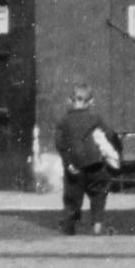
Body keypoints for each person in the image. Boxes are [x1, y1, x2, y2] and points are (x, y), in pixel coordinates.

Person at [54, 83, 123, 235]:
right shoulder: (96, 118)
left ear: (70, 100)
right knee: (98, 194)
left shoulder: (63, 121)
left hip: (74, 166)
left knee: (72, 199)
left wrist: (68, 163)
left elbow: (60, 145)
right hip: (95, 164)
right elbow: (110, 135)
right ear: (91, 101)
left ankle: (69, 227)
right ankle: (97, 225)